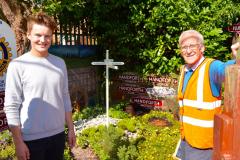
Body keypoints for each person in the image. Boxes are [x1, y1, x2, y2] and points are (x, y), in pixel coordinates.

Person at [4, 12, 76, 160]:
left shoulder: (59, 63)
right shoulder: (18, 66)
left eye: (47, 36)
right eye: (38, 35)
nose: (43, 40)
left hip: (58, 136)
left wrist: (71, 129)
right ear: (29, 35)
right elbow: (11, 106)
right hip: (31, 140)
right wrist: (18, 142)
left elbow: (65, 97)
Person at [175, 29, 239, 160]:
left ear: (202, 48)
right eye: (184, 47)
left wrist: (237, 59)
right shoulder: (184, 70)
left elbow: (227, 70)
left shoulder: (211, 67)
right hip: (186, 140)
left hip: (204, 147)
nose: (188, 50)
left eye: (192, 45)